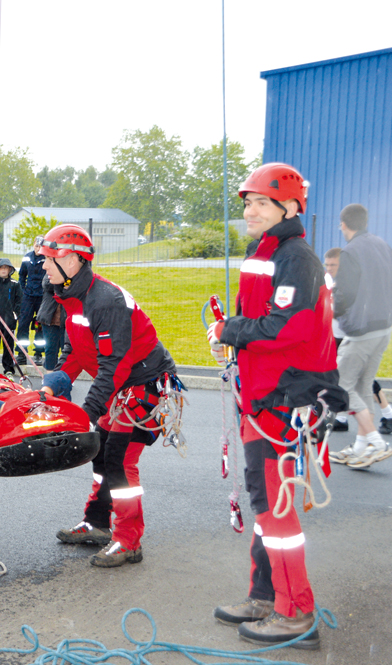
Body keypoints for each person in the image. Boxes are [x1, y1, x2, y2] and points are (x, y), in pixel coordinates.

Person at [207, 163, 346, 648]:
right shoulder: (264, 253)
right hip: (262, 396)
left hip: (286, 401)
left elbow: (288, 327)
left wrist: (230, 331)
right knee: (266, 503)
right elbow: (261, 315)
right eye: (247, 201)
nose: (249, 209)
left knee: (279, 511)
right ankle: (265, 595)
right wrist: (238, 334)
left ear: (288, 207)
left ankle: (296, 612)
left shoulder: (297, 259)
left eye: (260, 202)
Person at [39, 224, 176, 569]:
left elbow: (114, 365)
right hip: (120, 384)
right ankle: (98, 523)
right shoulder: (70, 298)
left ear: (71, 260)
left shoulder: (106, 301)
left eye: (48, 259)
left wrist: (86, 411)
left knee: (119, 460)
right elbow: (75, 354)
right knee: (101, 454)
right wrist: (54, 383)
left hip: (144, 383)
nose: (42, 266)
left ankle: (129, 540)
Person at [326, 203, 392, 468]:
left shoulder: (350, 252)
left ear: (343, 224)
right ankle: (362, 448)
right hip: (383, 325)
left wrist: (333, 310)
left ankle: (376, 442)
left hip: (361, 328)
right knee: (363, 385)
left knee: (339, 384)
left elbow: (346, 291)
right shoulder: (381, 244)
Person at [0, 258, 21, 376]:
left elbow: (19, 302)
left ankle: (9, 369)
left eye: (6, 268)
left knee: (8, 346)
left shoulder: (15, 284)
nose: (4, 270)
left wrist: (14, 315)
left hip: (9, 320)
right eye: (1, 268)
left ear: (10, 269)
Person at [17, 236, 47, 364]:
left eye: (41, 246)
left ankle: (38, 353)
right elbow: (22, 275)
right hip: (28, 296)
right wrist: (23, 290)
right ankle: (21, 353)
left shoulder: (47, 258)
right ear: (34, 245)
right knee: (23, 324)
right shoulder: (27, 257)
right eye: (36, 245)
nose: (38, 248)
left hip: (42, 296)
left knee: (39, 325)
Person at [37, 276, 66, 371]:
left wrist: (60, 283)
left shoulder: (72, 272)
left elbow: (75, 288)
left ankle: (65, 375)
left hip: (66, 321)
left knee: (66, 350)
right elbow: (47, 285)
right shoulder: (51, 271)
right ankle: (49, 377)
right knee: (50, 349)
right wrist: (64, 283)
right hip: (50, 319)